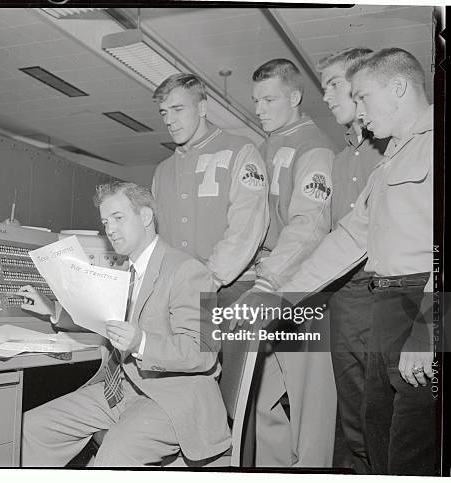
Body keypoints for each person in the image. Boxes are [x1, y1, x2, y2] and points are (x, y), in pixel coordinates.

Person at [274, 48, 436, 475]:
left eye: (363, 97)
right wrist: (285, 297)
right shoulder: (389, 161)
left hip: (422, 299)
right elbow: (349, 236)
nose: (358, 110)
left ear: (398, 88)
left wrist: (428, 330)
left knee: (415, 443)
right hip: (386, 303)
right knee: (378, 433)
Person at [18, 181, 230, 467]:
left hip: (173, 398)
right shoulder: (121, 270)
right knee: (33, 427)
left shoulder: (190, 271)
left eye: (118, 218)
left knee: (113, 455)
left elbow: (203, 351)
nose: (110, 229)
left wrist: (140, 342)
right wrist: (52, 311)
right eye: (106, 222)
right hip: (124, 388)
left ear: (145, 217)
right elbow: (100, 319)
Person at [245, 58, 337, 467]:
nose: (259, 109)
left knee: (309, 409)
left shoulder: (314, 145)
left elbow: (308, 225)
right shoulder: (263, 147)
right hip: (262, 280)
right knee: (258, 397)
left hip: (300, 287)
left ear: (295, 96)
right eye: (256, 101)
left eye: (268, 99)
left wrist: (267, 279)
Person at [315, 47, 389, 473]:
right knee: (353, 409)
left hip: (399, 287)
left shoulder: (397, 149)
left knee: (403, 405)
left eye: (334, 85)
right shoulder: (339, 160)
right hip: (345, 292)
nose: (326, 96)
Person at [151, 73, 269, 306]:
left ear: (202, 108)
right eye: (164, 112)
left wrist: (208, 279)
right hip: (178, 290)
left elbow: (246, 226)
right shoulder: (162, 171)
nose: (169, 120)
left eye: (177, 109)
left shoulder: (241, 151)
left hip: (233, 288)